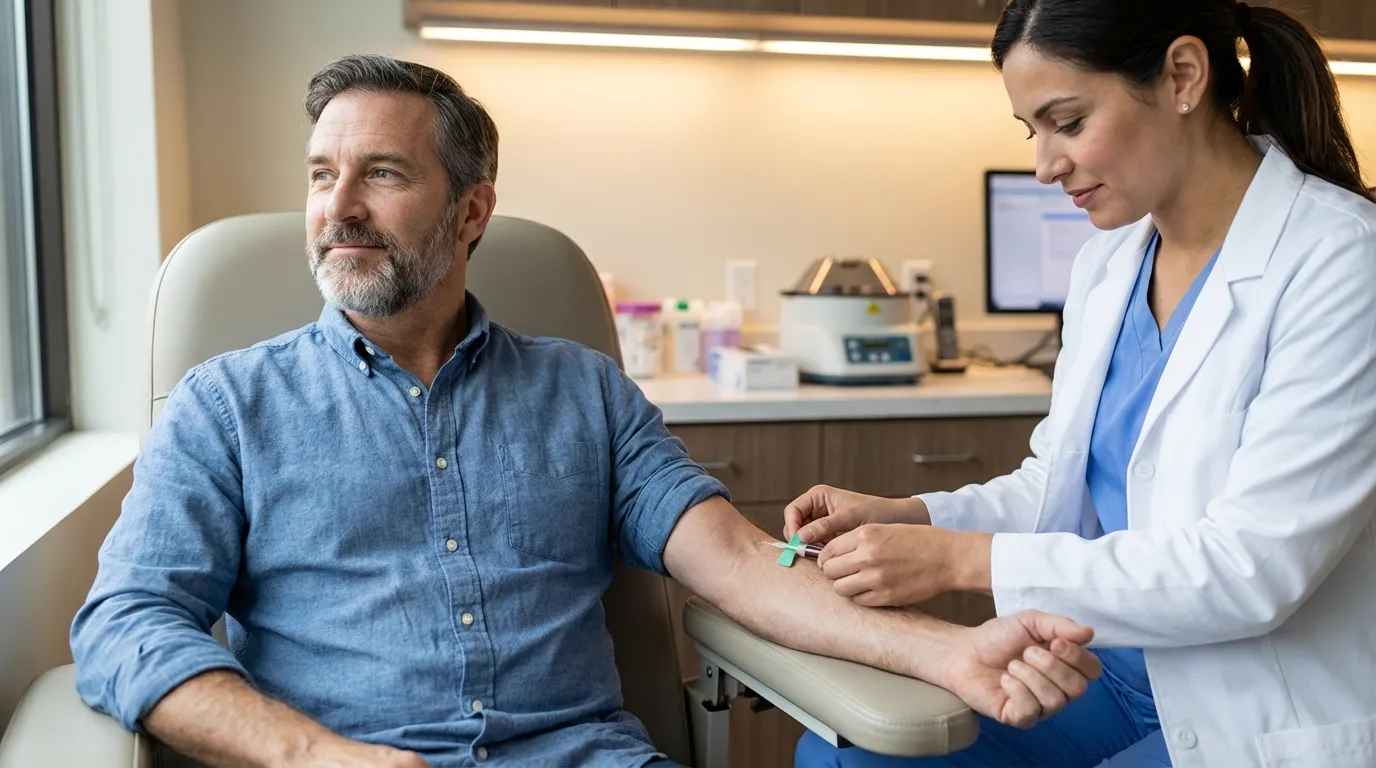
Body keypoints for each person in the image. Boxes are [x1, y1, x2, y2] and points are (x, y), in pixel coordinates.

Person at [68, 55, 1103, 768]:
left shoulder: (583, 392)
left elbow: (741, 564)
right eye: (321, 176)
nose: (338, 208)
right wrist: (316, 755)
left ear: (471, 210)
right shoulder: (228, 405)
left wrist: (950, 651)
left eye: (381, 175)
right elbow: (123, 624)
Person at [787, 1, 1376, 767]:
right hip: (1110, 668)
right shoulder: (1111, 263)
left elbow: (1253, 569)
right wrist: (916, 516)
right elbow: (1068, 489)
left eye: (1066, 122)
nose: (1044, 165)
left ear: (1183, 77)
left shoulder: (1341, 263)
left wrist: (957, 562)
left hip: (1256, 701)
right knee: (845, 757)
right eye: (1032, 131)